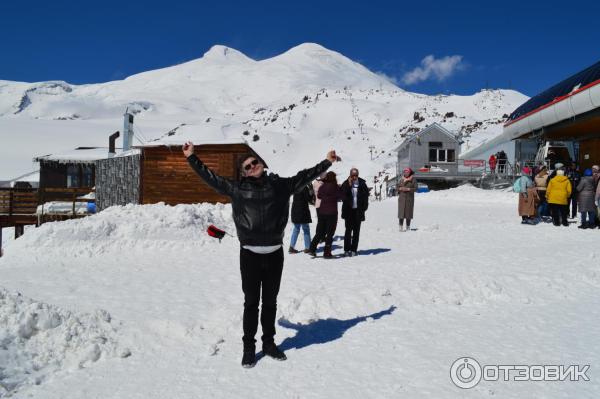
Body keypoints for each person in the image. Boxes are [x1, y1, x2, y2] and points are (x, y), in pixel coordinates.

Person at [183, 141, 337, 368]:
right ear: (243, 172)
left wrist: (327, 162)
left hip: (275, 254)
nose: (252, 166)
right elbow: (212, 178)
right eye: (247, 166)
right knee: (251, 303)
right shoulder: (237, 189)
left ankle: (268, 343)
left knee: (270, 303)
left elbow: (306, 176)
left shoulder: (281, 185)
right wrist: (191, 157)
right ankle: (248, 348)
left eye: (254, 162)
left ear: (261, 163)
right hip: (250, 256)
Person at [308, 171, 342, 258]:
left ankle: (312, 249)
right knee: (330, 233)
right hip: (332, 213)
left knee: (319, 232)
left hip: (322, 211)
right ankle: (327, 253)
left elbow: (319, 196)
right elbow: (340, 196)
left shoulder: (322, 186)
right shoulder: (335, 187)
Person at [340, 168, 369, 257]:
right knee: (348, 231)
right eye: (353, 175)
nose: (354, 177)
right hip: (348, 211)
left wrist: (364, 207)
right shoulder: (346, 183)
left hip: (358, 211)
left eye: (356, 175)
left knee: (356, 231)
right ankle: (346, 249)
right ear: (350, 175)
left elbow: (365, 196)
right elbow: (342, 196)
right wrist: (349, 185)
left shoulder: (362, 183)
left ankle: (353, 249)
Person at [289, 184, 315, 253]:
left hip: (295, 211)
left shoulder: (296, 187)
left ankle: (291, 247)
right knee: (306, 229)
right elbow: (308, 199)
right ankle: (308, 247)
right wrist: (311, 191)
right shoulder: (304, 188)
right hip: (302, 212)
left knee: (296, 229)